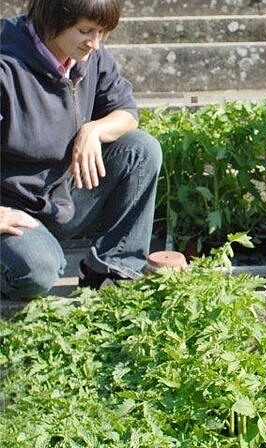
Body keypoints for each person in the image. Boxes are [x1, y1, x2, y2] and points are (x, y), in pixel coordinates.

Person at [1, 0, 162, 299]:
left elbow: (126, 113)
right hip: (11, 212)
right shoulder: (5, 65)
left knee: (140, 149)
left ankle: (110, 272)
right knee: (36, 270)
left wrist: (93, 130)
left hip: (61, 199)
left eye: (102, 32)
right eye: (86, 31)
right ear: (53, 19)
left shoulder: (89, 57)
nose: (95, 43)